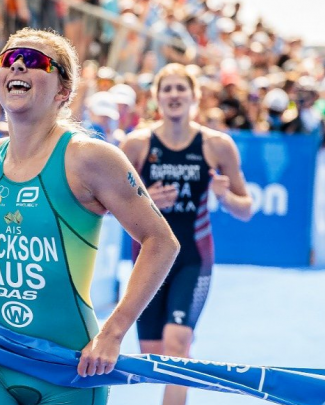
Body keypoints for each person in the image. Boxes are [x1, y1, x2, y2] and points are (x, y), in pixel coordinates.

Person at [0, 28, 180, 405]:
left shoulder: (90, 158)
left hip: (71, 367)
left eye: (36, 60)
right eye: (8, 59)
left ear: (63, 91)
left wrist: (114, 331)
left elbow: (161, 242)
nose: (19, 64)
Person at [120, 63, 252, 405]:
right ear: (157, 98)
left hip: (192, 256)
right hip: (148, 256)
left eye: (182, 89)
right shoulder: (136, 144)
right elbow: (110, 204)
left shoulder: (216, 145)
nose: (175, 95)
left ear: (194, 97)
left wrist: (224, 195)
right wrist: (144, 198)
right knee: (153, 351)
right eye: (168, 89)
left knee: (177, 343)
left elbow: (246, 208)